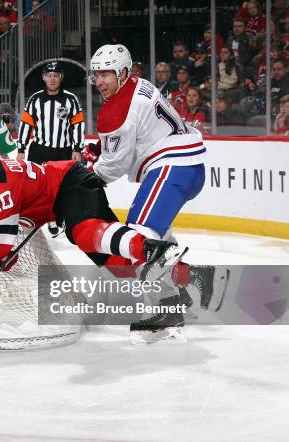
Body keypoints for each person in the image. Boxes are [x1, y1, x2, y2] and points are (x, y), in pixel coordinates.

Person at [0, 137, 188, 308]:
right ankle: (180, 280)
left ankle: (153, 248)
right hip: (60, 200)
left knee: (83, 232)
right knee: (119, 267)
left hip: (69, 182)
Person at [87, 44, 216, 338]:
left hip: (172, 168)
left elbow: (114, 166)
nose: (100, 81)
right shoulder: (138, 85)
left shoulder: (114, 111)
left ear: (122, 72)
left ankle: (168, 307)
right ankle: (194, 277)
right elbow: (135, 135)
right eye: (96, 74)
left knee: (137, 240)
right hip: (186, 167)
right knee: (159, 240)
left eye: (106, 73)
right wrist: (99, 149)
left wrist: (86, 174)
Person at [17, 61, 86, 235]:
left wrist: (77, 148)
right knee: (36, 189)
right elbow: (26, 124)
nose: (52, 79)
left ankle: (55, 218)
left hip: (63, 151)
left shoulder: (71, 99)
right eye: (49, 75)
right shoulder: (35, 99)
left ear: (61, 78)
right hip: (39, 150)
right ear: (44, 77)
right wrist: (21, 148)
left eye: (56, 76)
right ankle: (32, 220)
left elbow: (77, 125)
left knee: (60, 188)